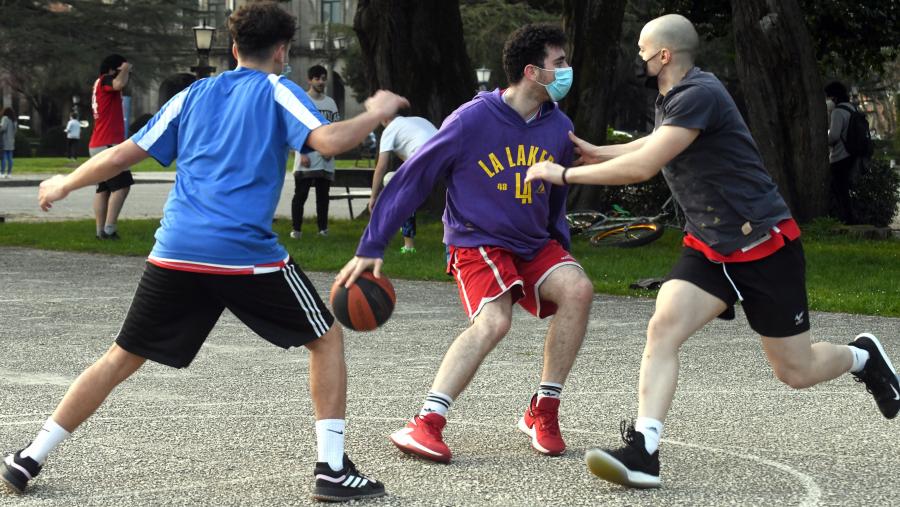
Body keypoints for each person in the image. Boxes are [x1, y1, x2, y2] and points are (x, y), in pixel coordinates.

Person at [2, 2, 407, 501]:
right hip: (242, 253)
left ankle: (29, 456)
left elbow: (121, 153)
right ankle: (331, 468)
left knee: (120, 357)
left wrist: (65, 183)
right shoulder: (279, 89)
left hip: (176, 249)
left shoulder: (193, 93)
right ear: (282, 51)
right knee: (325, 338)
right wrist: (374, 114)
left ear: (234, 48)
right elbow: (326, 141)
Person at [525, 14, 899, 489]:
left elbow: (646, 164)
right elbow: (657, 143)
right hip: (710, 247)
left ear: (664, 56)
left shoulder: (699, 93)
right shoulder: (673, 98)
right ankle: (645, 450)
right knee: (662, 328)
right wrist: (598, 151)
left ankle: (863, 356)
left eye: (642, 50)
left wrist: (561, 175)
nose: (637, 59)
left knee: (796, 371)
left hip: (764, 245)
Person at [337, 23, 594, 463]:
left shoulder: (559, 126)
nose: (568, 70)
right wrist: (373, 243)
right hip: (478, 241)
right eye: (561, 63)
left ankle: (542, 410)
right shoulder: (471, 119)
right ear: (533, 72)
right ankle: (427, 422)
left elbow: (557, 196)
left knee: (579, 289)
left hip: (531, 242)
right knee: (494, 321)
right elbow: (413, 178)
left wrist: (560, 245)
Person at [368, 114, 438, 254]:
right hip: (443, 156)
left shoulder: (390, 129)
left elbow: (381, 166)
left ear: (384, 118)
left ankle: (408, 246)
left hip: (423, 161)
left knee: (390, 180)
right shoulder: (419, 121)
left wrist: (373, 196)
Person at [291, 65, 340, 239]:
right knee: (301, 195)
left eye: (323, 78)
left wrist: (331, 149)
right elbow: (294, 128)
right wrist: (301, 152)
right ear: (309, 80)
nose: (321, 82)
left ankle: (323, 229)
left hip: (325, 158)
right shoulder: (301, 100)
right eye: (317, 78)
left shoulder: (330, 103)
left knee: (323, 196)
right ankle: (296, 230)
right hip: (306, 158)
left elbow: (335, 129)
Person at [89, 53, 134, 240]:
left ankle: (100, 231)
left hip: (98, 143)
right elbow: (118, 84)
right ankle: (109, 229)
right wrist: (124, 70)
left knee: (104, 189)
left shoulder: (98, 84)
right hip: (108, 144)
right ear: (112, 69)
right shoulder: (106, 79)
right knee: (122, 186)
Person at [824, 81, 858, 224]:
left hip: (840, 156)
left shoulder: (838, 112)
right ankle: (848, 218)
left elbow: (834, 137)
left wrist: (824, 135)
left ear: (834, 97)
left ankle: (847, 219)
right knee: (844, 190)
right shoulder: (852, 109)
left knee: (839, 190)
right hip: (852, 154)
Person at [0, 108, 16, 178]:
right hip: (11, 141)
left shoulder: (5, 118)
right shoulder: (14, 120)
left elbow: (3, 128)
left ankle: (2, 173)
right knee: (10, 158)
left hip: (4, 140)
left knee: (3, 158)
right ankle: (9, 173)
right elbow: (15, 131)